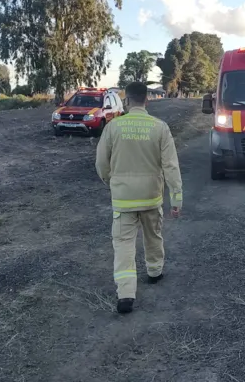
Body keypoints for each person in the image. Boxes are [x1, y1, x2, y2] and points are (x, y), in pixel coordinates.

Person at [95, 81, 183, 314]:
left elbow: (101, 164)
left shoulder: (113, 127)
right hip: (151, 197)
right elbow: (171, 166)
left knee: (123, 245)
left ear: (127, 100)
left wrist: (112, 182)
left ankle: (125, 294)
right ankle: (154, 272)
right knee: (153, 236)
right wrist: (176, 199)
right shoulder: (160, 127)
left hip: (123, 198)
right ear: (146, 100)